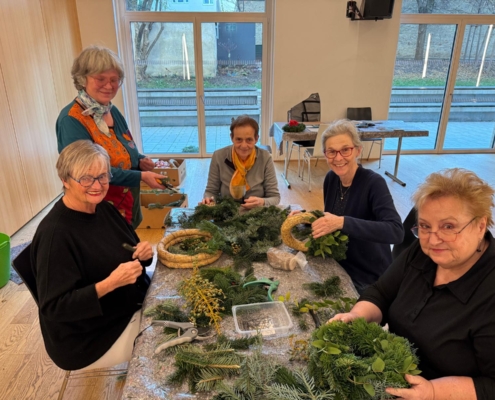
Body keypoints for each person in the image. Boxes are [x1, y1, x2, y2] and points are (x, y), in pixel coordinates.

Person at [330, 168, 495, 400]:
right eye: (425, 226)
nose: (433, 239)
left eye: (448, 226)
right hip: (391, 376)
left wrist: (434, 392)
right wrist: (357, 316)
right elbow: (381, 292)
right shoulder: (422, 251)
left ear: (480, 226)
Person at [31, 140, 153, 371]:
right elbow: (55, 307)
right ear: (65, 180)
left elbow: (134, 253)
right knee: (168, 334)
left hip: (123, 304)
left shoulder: (104, 208)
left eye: (102, 176)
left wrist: (144, 254)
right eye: (86, 178)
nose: (97, 185)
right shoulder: (55, 235)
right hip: (88, 338)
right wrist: (110, 283)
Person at [56, 45, 165, 228]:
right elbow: (88, 174)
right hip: (98, 209)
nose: (109, 86)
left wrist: (139, 160)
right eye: (101, 79)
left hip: (126, 204)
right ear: (82, 79)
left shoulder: (111, 110)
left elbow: (125, 147)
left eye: (114, 80)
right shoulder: (71, 120)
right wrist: (141, 176)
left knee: (128, 241)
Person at [293, 119, 404, 293]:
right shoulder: (331, 178)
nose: (338, 158)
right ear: (325, 154)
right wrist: (306, 218)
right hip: (340, 264)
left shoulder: (373, 183)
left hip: (368, 276)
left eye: (345, 150)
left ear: (358, 150)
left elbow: (396, 231)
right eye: (331, 152)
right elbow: (333, 219)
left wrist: (342, 222)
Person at [202, 115, 280, 209]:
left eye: (249, 140)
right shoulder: (218, 156)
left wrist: (262, 202)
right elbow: (211, 191)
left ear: (256, 139)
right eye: (239, 139)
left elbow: (275, 197)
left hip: (256, 211)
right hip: (226, 211)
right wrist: (209, 199)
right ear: (232, 138)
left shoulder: (265, 157)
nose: (243, 145)